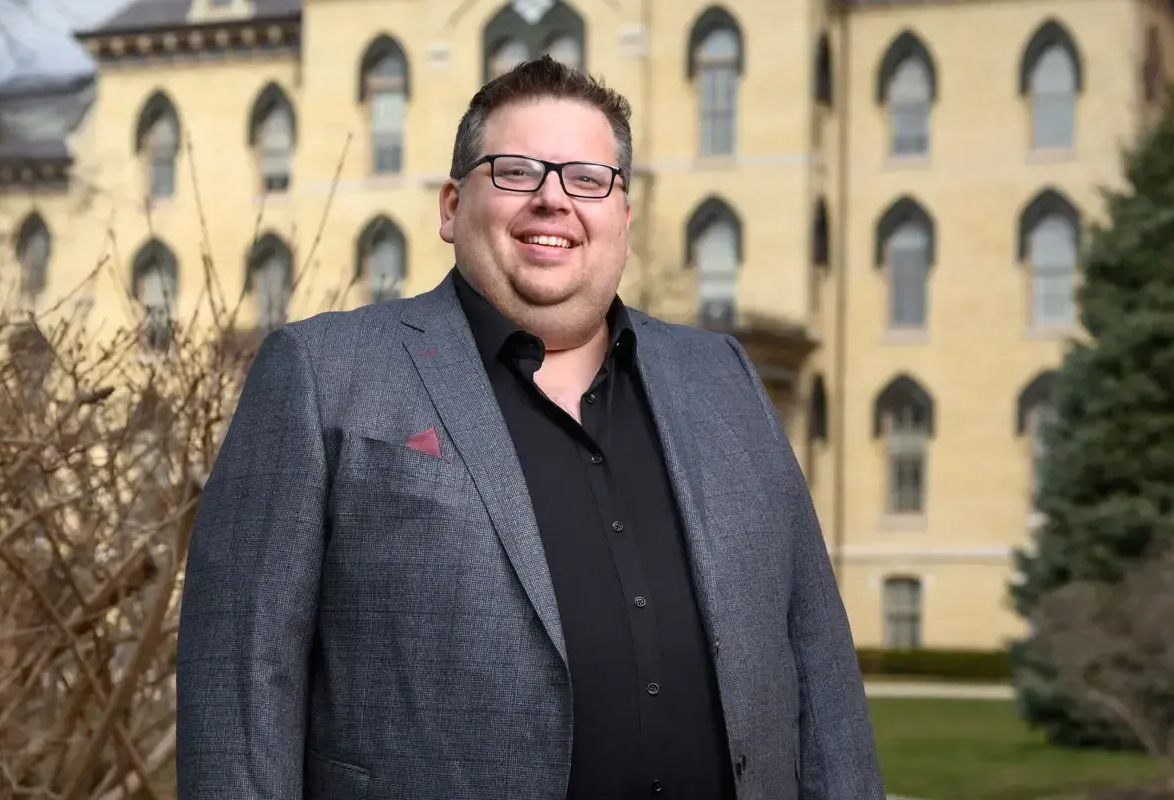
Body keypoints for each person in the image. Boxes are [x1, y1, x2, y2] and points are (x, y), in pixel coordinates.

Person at [175, 56, 884, 800]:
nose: (553, 199)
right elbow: (240, 682)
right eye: (515, 171)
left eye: (587, 178)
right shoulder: (323, 372)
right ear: (451, 207)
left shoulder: (725, 379)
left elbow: (818, 661)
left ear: (624, 218)